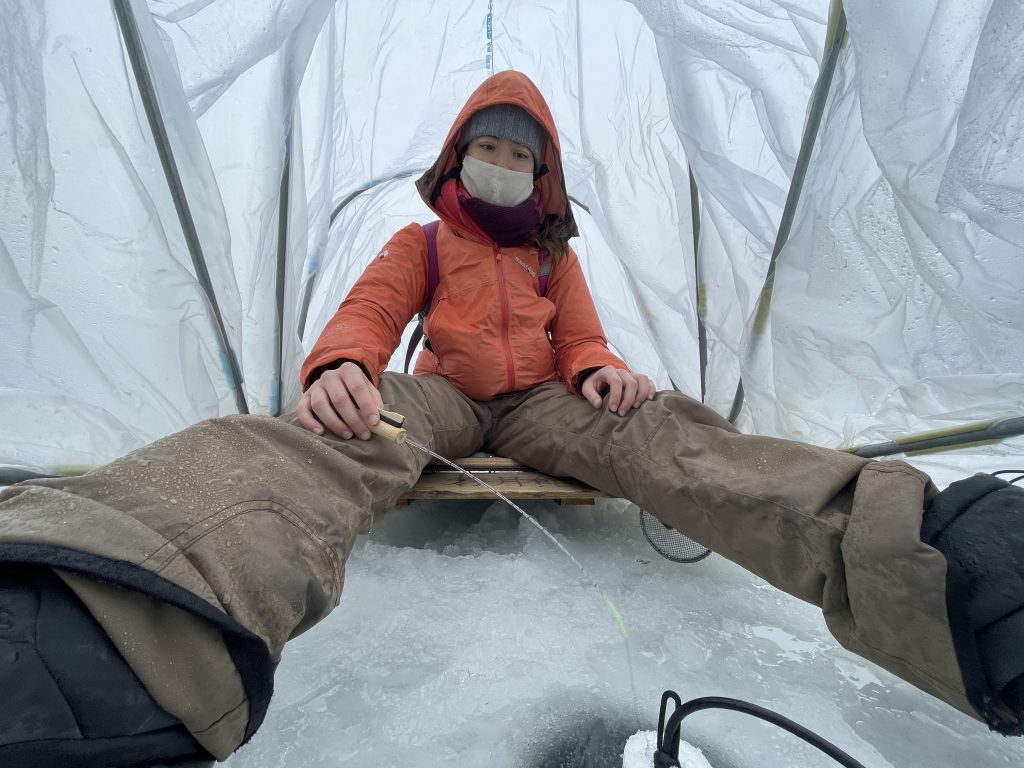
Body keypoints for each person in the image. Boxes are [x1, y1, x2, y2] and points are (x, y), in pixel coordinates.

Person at [0, 71, 1021, 766]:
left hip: (538, 404)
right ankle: (122, 602)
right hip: (442, 395)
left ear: (544, 178)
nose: (498, 162)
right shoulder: (423, 240)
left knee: (656, 432)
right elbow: (369, 314)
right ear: (457, 161)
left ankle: (927, 560)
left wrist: (606, 372)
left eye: (515, 154)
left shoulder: (553, 259)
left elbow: (578, 342)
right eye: (483, 147)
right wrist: (345, 364)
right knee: (335, 433)